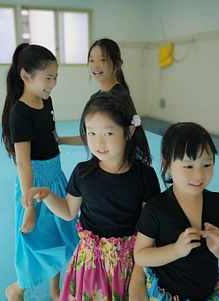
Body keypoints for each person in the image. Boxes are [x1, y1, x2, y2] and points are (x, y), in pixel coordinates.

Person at [23, 91, 161, 300]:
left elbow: (150, 227)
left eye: (108, 133)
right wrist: (49, 195)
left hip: (129, 262)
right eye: (91, 133)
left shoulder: (144, 175)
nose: (98, 142)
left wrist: (141, 271)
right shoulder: (82, 173)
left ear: (129, 131)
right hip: (90, 262)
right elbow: (69, 211)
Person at [1, 43, 79, 301]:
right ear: (26, 76)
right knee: (35, 244)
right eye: (48, 78)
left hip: (56, 179)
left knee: (60, 237)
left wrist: (88, 138)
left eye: (56, 77)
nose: (53, 83)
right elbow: (23, 163)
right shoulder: (20, 113)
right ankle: (17, 289)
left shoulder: (46, 101)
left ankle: (55, 291)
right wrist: (30, 205)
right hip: (33, 186)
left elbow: (53, 138)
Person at [134, 122, 219, 301]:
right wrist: (175, 250)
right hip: (166, 295)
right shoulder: (156, 209)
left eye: (207, 165)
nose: (199, 175)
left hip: (208, 294)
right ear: (166, 163)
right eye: (188, 166)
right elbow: (140, 256)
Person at [59, 38, 139, 146]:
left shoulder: (117, 97)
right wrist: (60, 140)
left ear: (117, 64)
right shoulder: (98, 96)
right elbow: (93, 138)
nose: (95, 66)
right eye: (91, 60)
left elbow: (123, 140)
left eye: (102, 60)